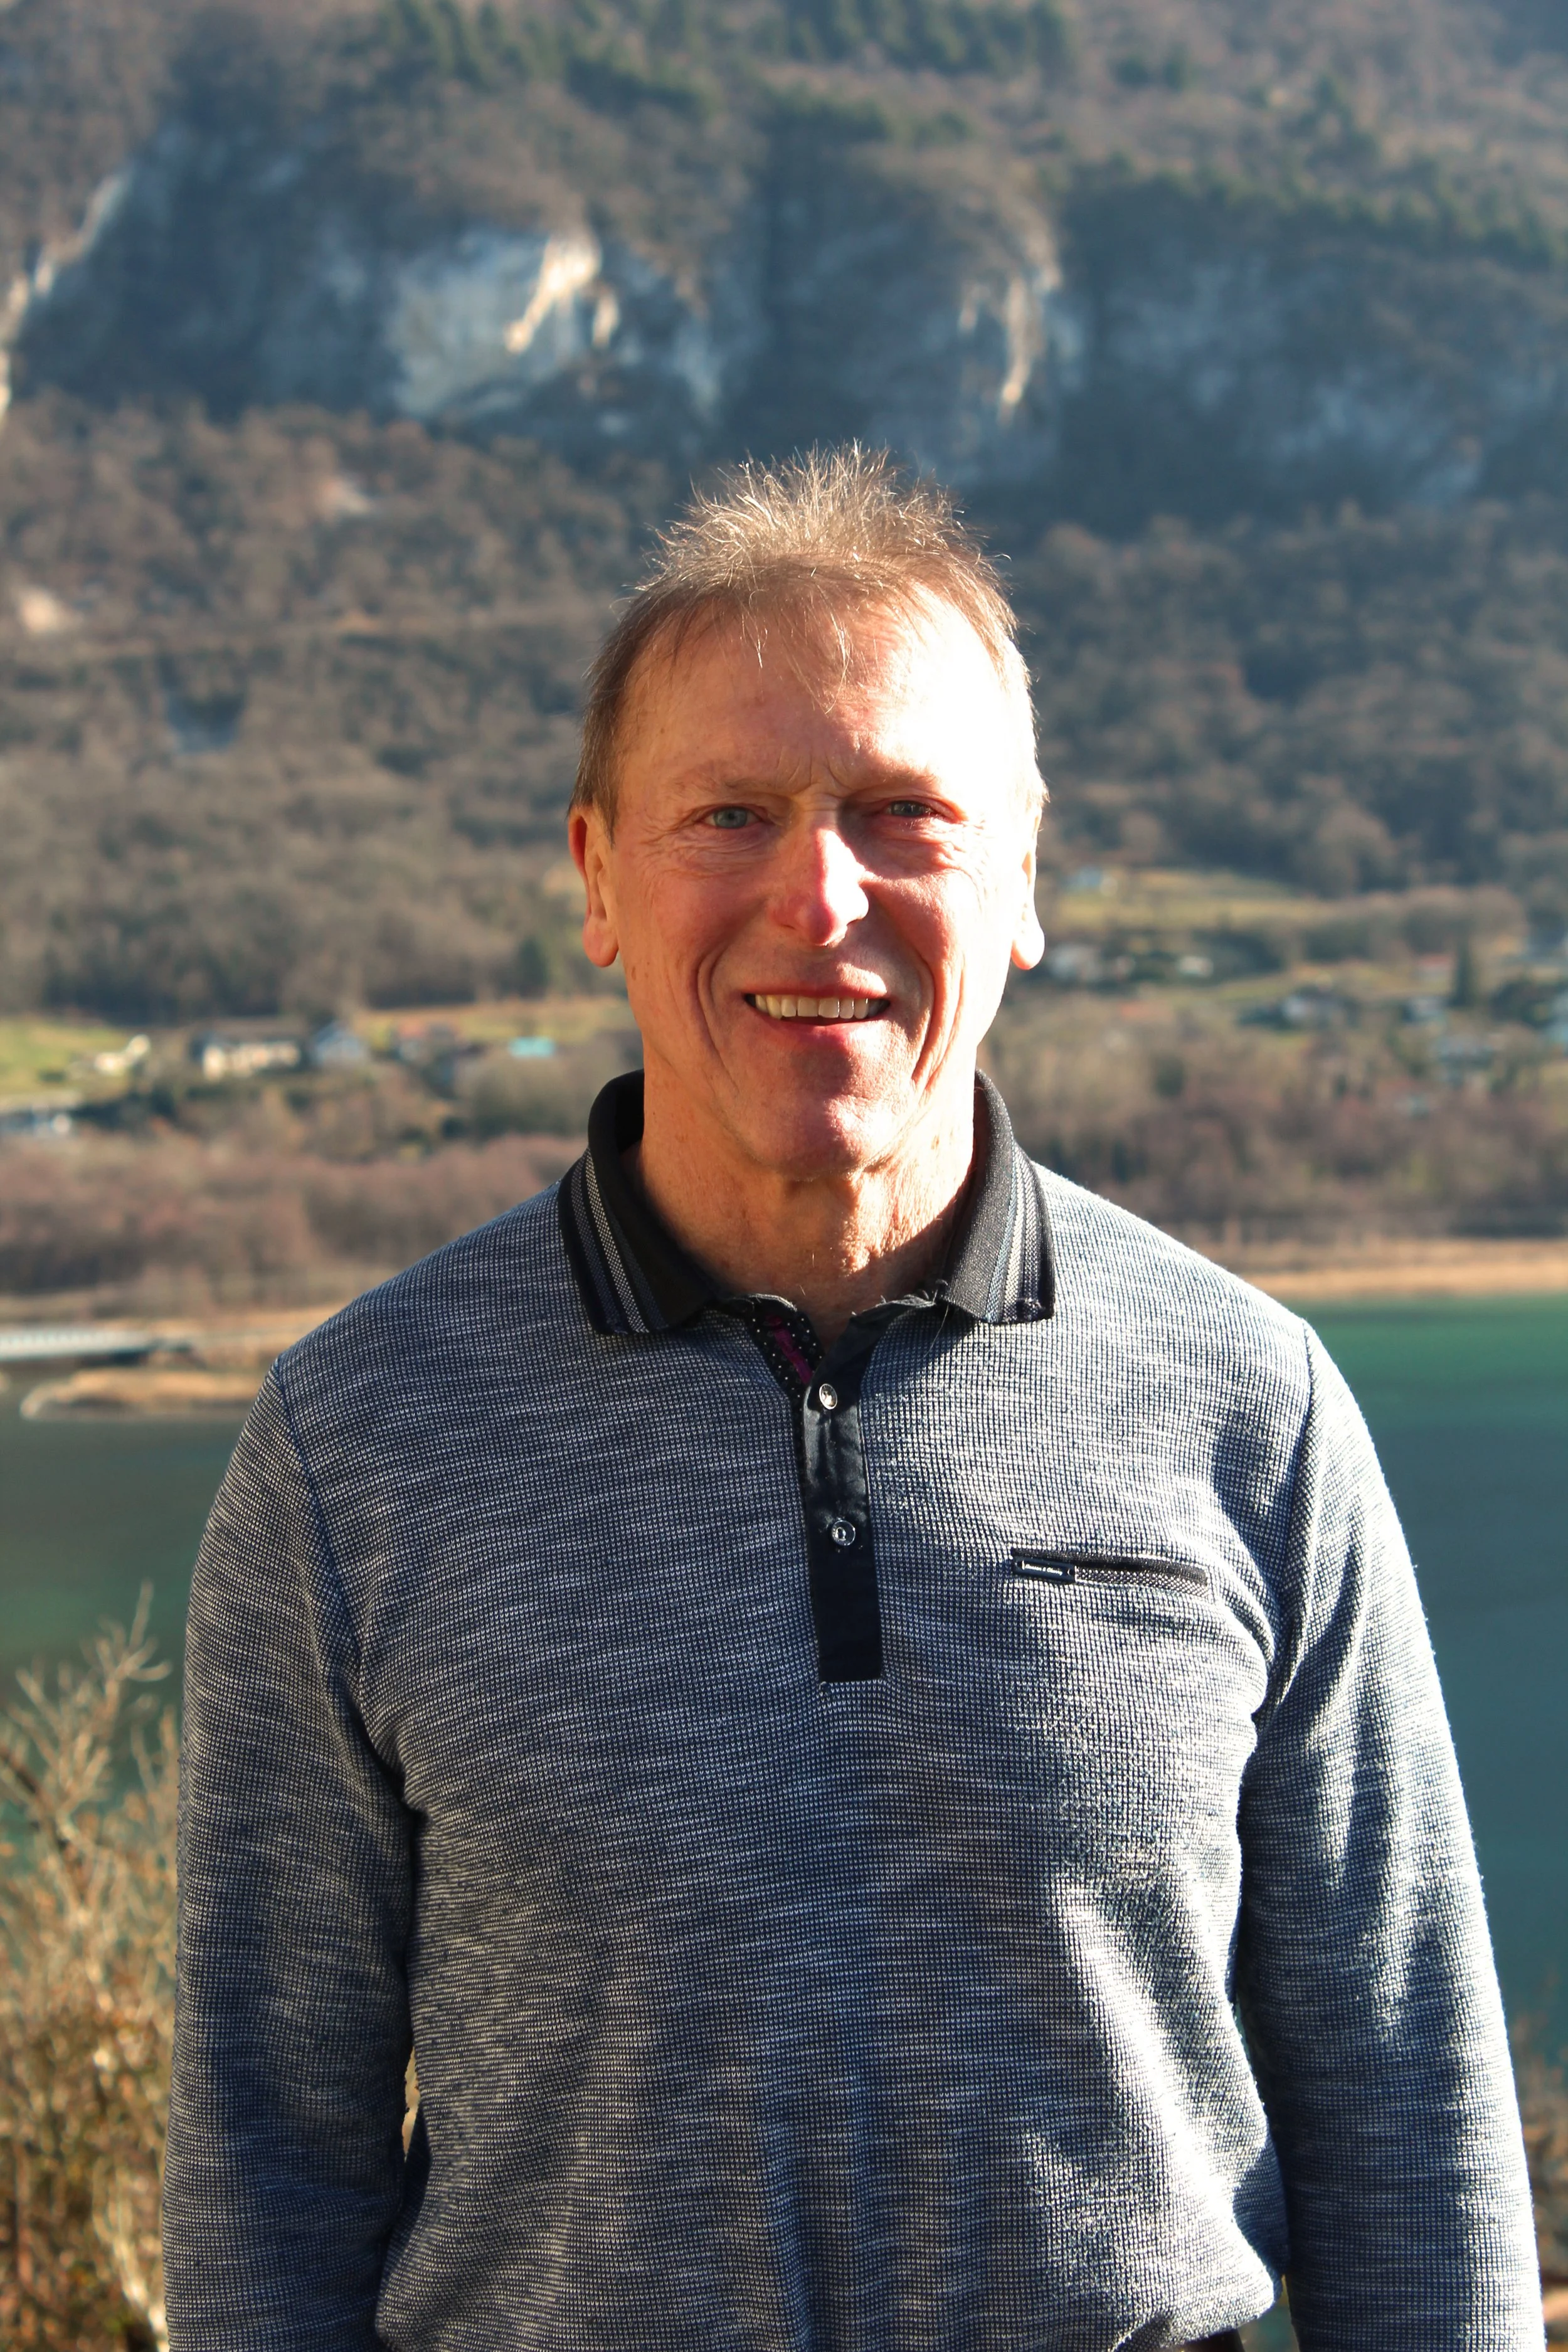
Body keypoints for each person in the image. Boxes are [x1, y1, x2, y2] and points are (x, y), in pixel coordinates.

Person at [164, 449, 1541, 2352]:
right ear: (596, 876)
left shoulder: (1247, 1407)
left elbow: (1412, 2126)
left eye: (902, 812)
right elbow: (265, 2181)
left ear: (1023, 876)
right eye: (729, 813)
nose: (819, 895)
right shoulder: (356, 1446)